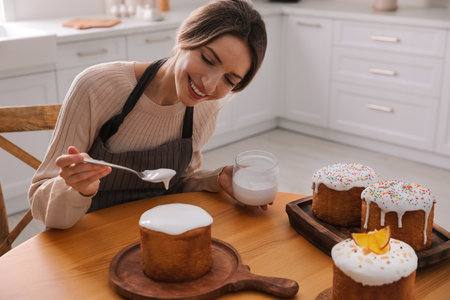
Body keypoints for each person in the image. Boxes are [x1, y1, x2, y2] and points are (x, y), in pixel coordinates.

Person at [29, 0, 267, 229]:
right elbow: (42, 207)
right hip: (89, 239)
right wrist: (76, 188)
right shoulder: (96, 87)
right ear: (185, 36)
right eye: (207, 59)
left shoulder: (205, 109)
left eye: (229, 80)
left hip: (159, 233)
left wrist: (216, 179)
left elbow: (176, 183)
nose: (210, 85)